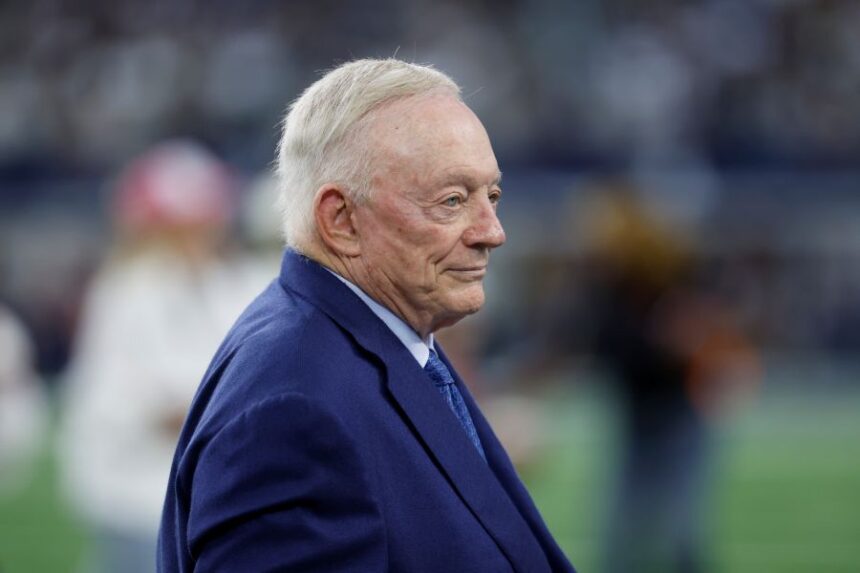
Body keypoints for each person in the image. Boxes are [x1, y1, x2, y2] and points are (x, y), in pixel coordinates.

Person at [158, 58, 575, 572]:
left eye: (492, 196)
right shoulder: (294, 404)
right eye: (452, 200)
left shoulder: (373, 335)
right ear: (340, 220)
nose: (492, 231)